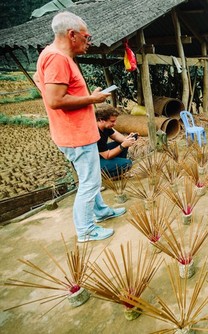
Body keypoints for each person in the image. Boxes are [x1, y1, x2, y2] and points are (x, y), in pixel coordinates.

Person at [35, 11, 125, 243]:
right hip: (75, 134)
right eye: (87, 37)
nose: (89, 42)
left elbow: (40, 80)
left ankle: (101, 211)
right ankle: (86, 230)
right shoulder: (58, 58)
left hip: (73, 131)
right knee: (90, 182)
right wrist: (92, 100)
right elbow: (55, 100)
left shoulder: (50, 54)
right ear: (72, 34)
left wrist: (86, 97)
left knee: (90, 177)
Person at [96, 104, 137, 178]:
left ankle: (118, 168)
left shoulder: (105, 127)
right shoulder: (96, 133)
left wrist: (127, 139)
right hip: (92, 163)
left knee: (122, 143)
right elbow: (107, 156)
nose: (114, 124)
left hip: (99, 155)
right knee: (127, 164)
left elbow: (116, 136)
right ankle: (104, 177)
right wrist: (123, 145)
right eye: (112, 121)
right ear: (101, 120)